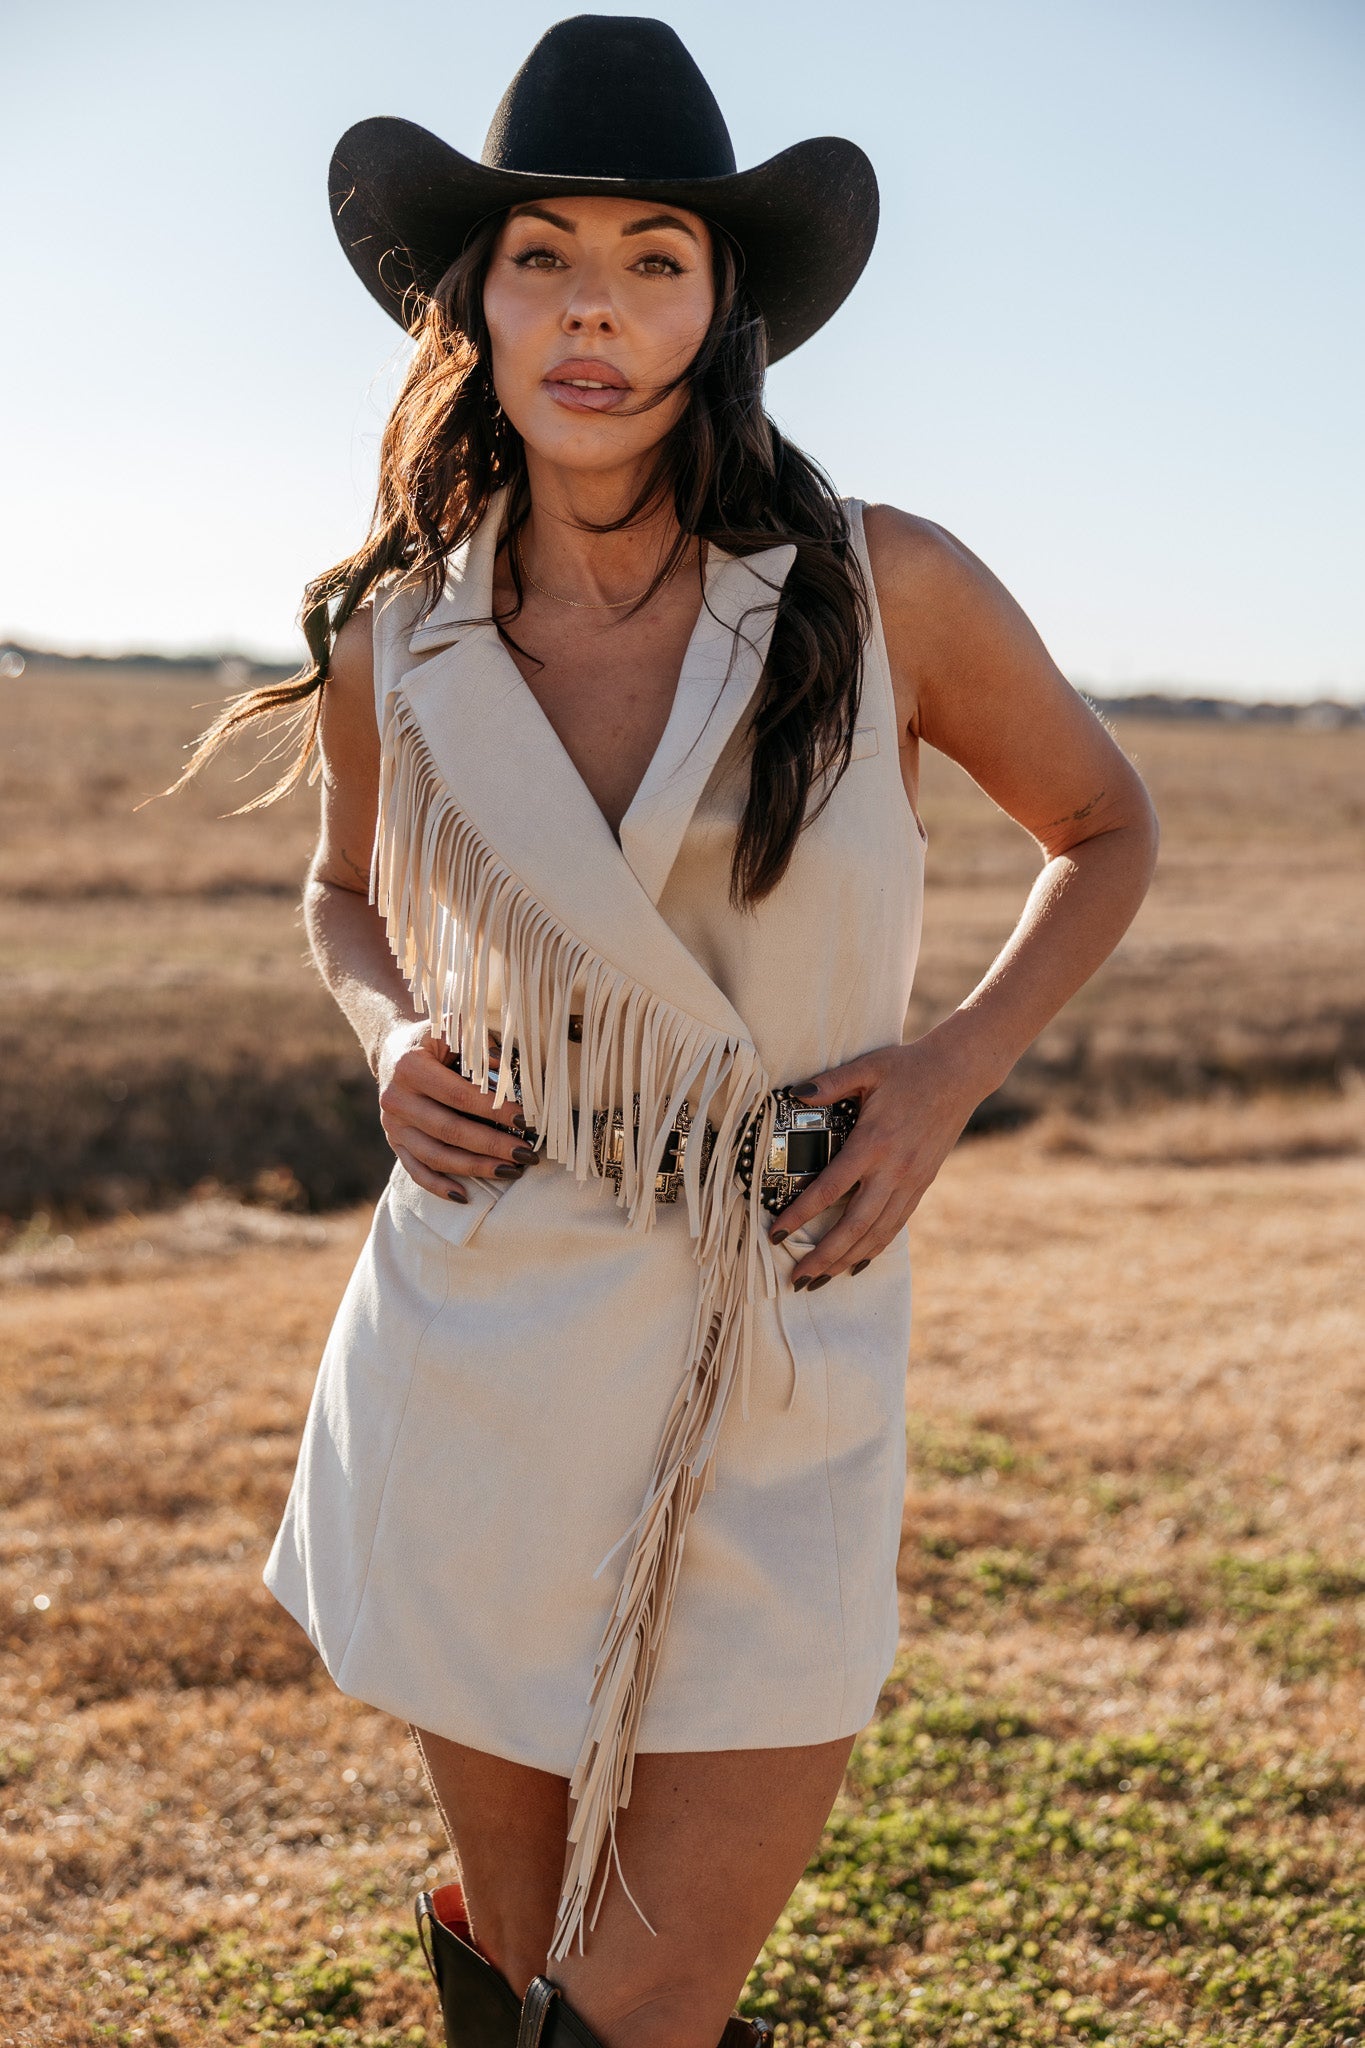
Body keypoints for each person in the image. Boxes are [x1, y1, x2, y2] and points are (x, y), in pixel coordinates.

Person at [174, 17, 1158, 2048]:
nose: (592, 312)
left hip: (779, 1343)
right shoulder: (400, 631)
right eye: (540, 257)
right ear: (472, 301)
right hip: (481, 1352)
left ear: (723, 309)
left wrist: (954, 1063)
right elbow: (343, 893)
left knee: (634, 2009)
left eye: (652, 259)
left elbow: (1101, 825)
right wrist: (381, 1039)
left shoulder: (886, 588)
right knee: (535, 1999)